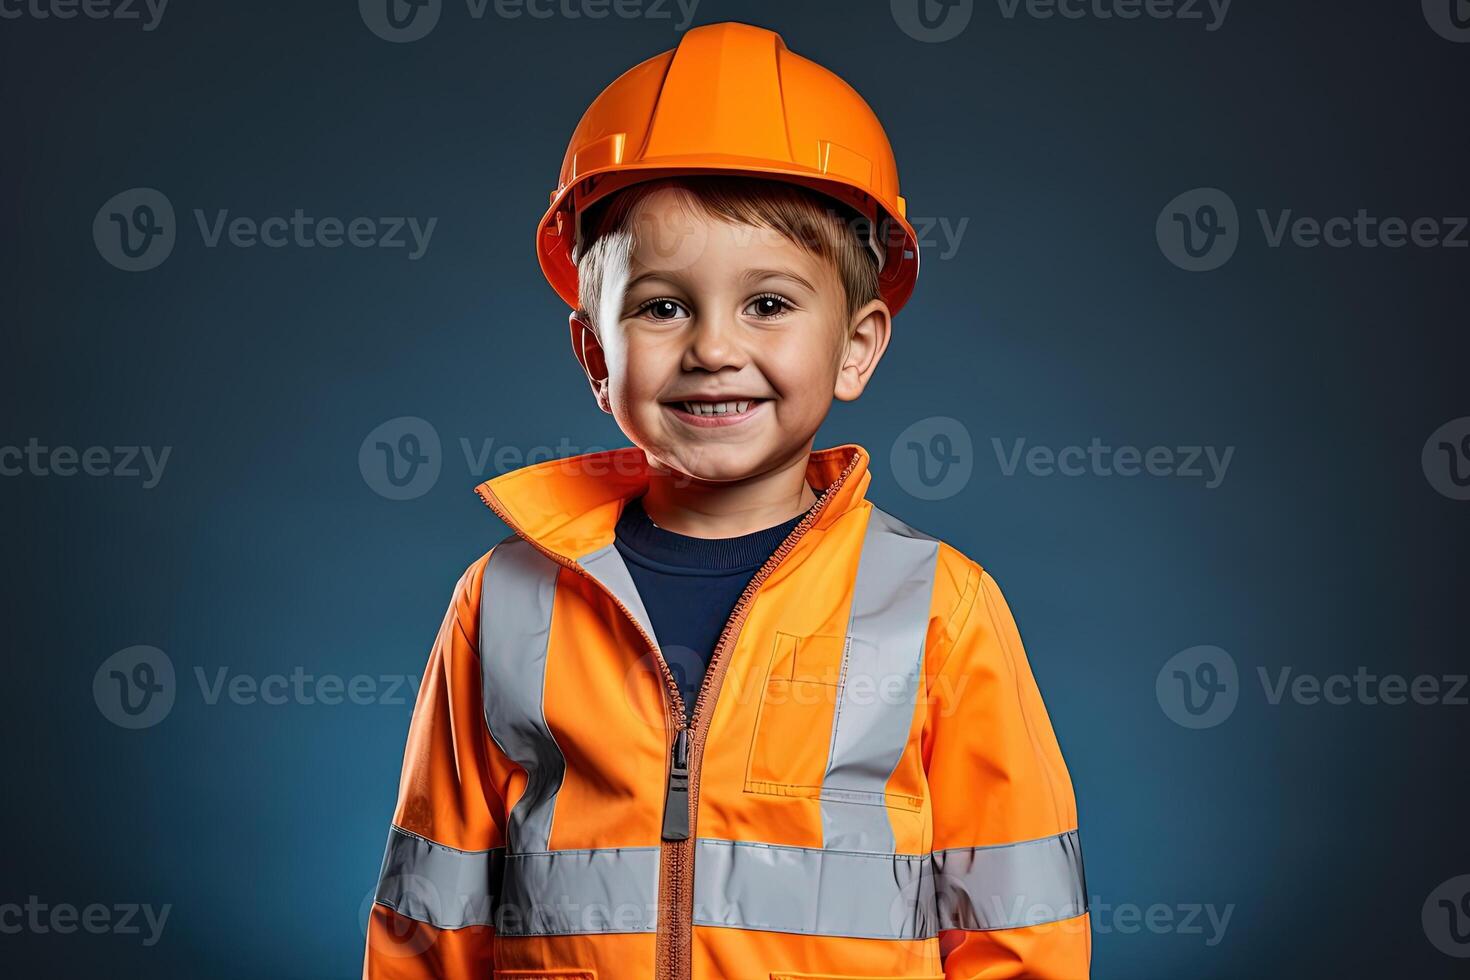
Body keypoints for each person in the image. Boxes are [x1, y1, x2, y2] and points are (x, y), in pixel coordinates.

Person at [363, 20, 1089, 980]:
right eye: (663, 306)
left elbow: (1020, 922)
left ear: (858, 346)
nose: (712, 348)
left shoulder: (938, 611)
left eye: (770, 303)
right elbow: (430, 914)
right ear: (594, 354)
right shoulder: (501, 602)